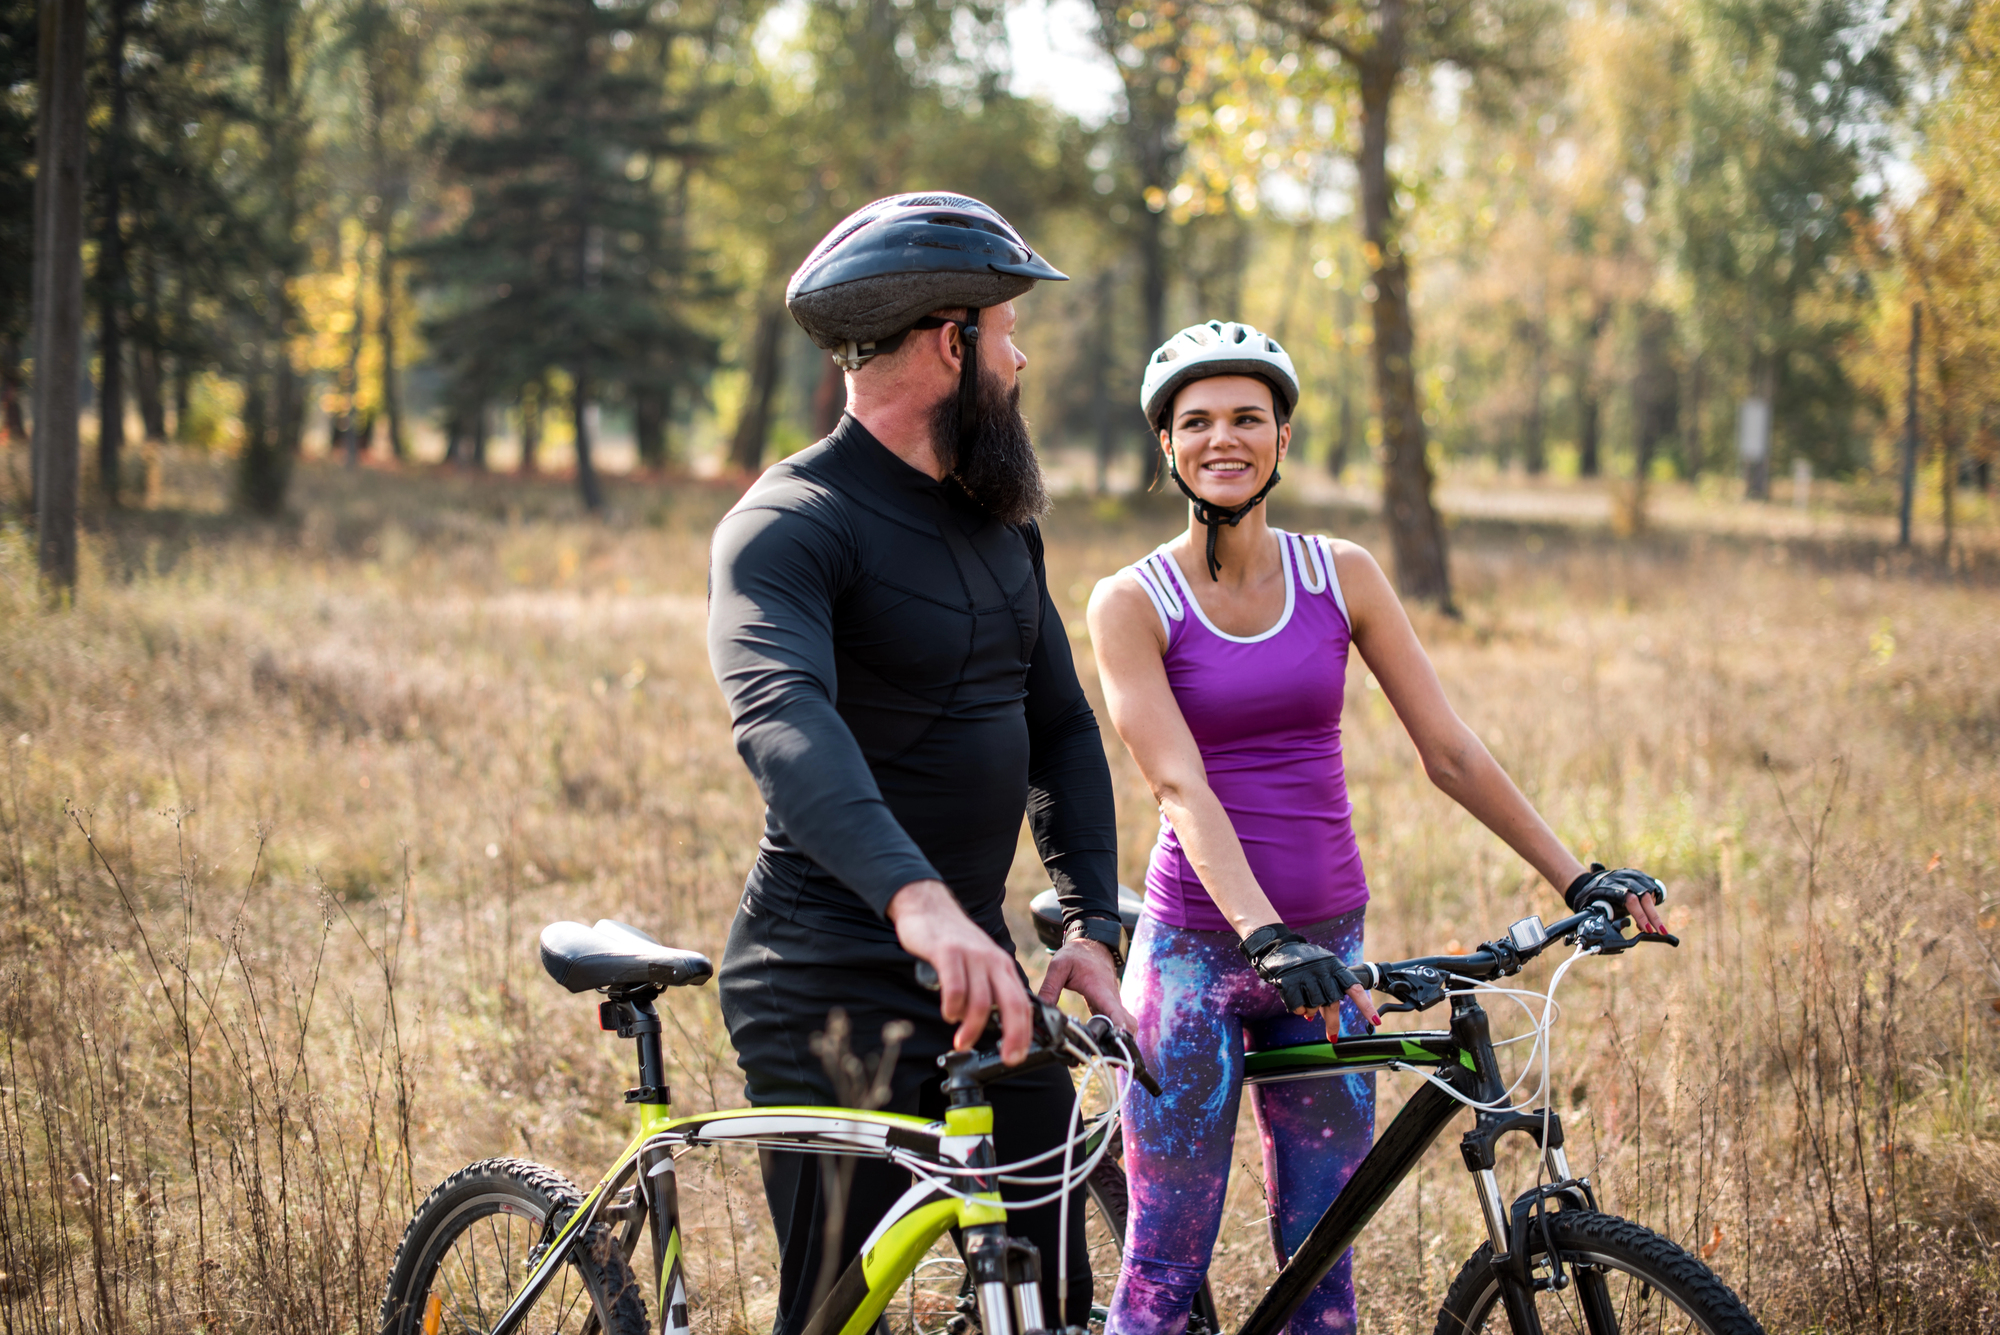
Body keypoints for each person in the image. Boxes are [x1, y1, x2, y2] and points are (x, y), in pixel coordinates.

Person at [1087, 320, 1669, 1335]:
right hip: (1194, 958)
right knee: (1160, 1279)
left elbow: (1446, 751)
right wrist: (1264, 936)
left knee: (1324, 1275)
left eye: (1245, 418)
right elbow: (1176, 785)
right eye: (1196, 422)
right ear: (1165, 446)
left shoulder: (1338, 574)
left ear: (1280, 438)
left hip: (1331, 957)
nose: (1222, 438)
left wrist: (1575, 878)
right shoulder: (1131, 600)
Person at [706, 192, 1133, 1335]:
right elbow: (780, 719)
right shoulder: (789, 521)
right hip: (821, 978)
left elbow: (1061, 727)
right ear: (952, 342)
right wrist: (918, 903)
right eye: (1007, 331)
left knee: (1043, 1302)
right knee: (838, 1316)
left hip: (979, 975)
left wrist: (1091, 920)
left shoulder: (1001, 520)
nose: (1022, 355)